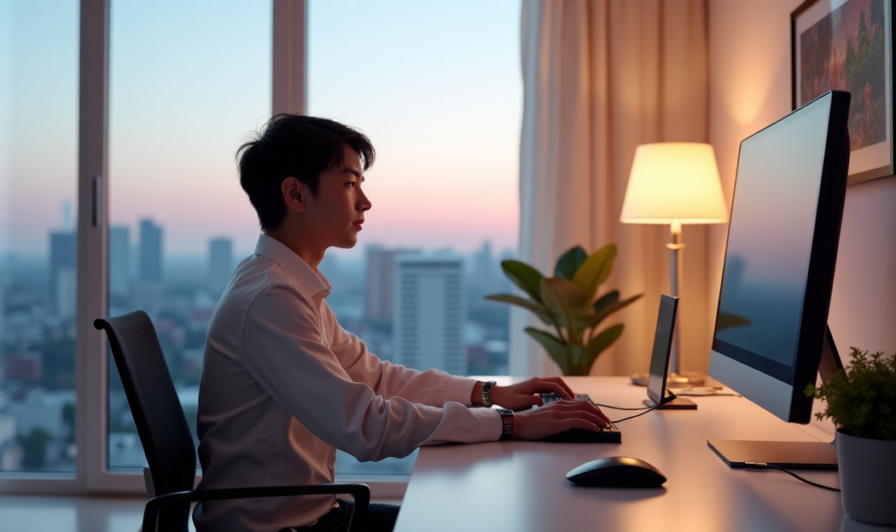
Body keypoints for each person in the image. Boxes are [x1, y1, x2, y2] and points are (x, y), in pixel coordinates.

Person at [193, 115, 612, 532]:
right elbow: (364, 425)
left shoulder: (288, 286)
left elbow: (377, 379)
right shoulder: (271, 298)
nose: (365, 202)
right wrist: (511, 425)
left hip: (316, 516)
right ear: (296, 194)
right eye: (349, 183)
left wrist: (490, 393)